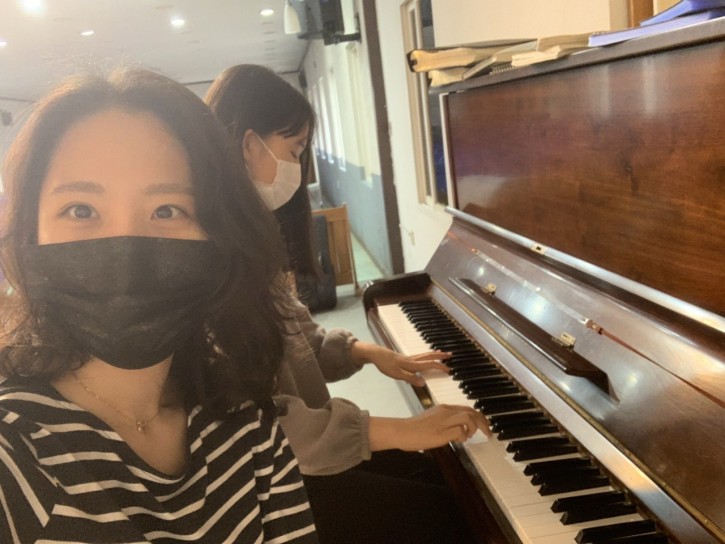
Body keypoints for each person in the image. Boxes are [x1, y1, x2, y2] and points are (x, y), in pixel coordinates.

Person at [0, 68, 318, 543]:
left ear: (219, 236)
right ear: (29, 234)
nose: (125, 251)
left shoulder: (248, 424)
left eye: (167, 211)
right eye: (81, 210)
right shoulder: (14, 452)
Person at [206, 64, 490, 544]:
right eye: (295, 150)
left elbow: (298, 340)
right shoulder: (212, 264)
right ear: (249, 144)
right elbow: (263, 424)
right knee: (453, 512)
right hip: (281, 484)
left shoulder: (248, 242)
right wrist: (404, 429)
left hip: (309, 457)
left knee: (446, 476)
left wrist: (369, 352)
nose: (300, 167)